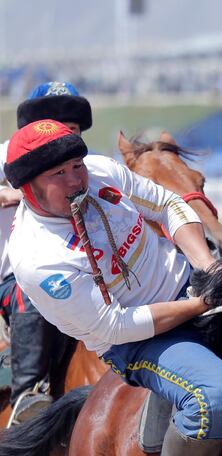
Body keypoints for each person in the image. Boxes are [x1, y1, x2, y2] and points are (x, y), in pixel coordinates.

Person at [5, 120, 222, 454]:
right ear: (28, 188)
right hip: (139, 340)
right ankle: (28, 390)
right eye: (58, 174)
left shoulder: (101, 171)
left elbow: (167, 205)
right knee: (216, 398)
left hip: (192, 281)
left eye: (77, 166)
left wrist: (208, 265)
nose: (75, 180)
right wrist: (198, 305)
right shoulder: (38, 259)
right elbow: (115, 325)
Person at [0, 81, 92, 423]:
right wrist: (13, 195)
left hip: (83, 267)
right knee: (32, 288)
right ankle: (29, 395)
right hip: (17, 279)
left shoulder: (84, 168)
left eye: (73, 127)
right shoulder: (4, 157)